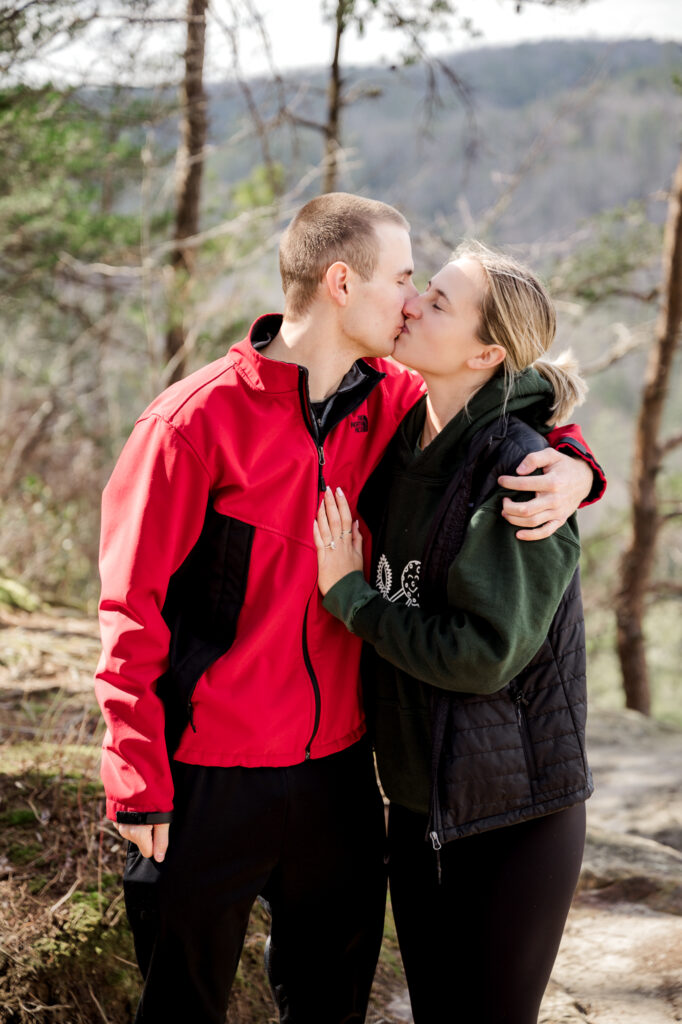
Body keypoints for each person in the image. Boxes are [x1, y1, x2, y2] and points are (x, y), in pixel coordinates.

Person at [95, 196, 604, 1024]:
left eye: (424, 290)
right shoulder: (192, 423)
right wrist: (137, 775)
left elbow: (508, 405)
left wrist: (576, 467)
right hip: (207, 776)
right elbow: (130, 612)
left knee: (331, 1008)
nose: (411, 301)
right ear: (341, 281)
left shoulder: (396, 404)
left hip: (339, 782)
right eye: (406, 280)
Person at [314, 242, 596, 1024]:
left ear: (487, 351)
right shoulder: (405, 439)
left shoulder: (521, 476)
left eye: (437, 302)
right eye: (421, 289)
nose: (411, 305)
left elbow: (481, 657)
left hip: (511, 815)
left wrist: (353, 599)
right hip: (418, 804)